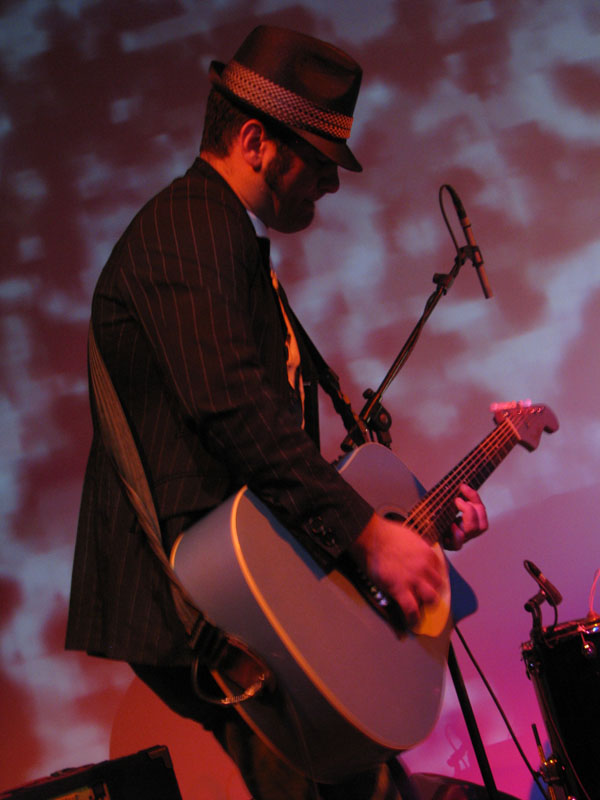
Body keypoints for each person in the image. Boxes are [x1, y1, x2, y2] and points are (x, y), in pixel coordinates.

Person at [66, 25, 488, 800]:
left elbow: (259, 444)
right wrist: (368, 537)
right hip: (203, 604)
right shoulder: (190, 226)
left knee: (353, 785)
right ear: (256, 141)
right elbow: (230, 407)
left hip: (242, 587)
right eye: (320, 161)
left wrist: (406, 528)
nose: (331, 185)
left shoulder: (223, 234)